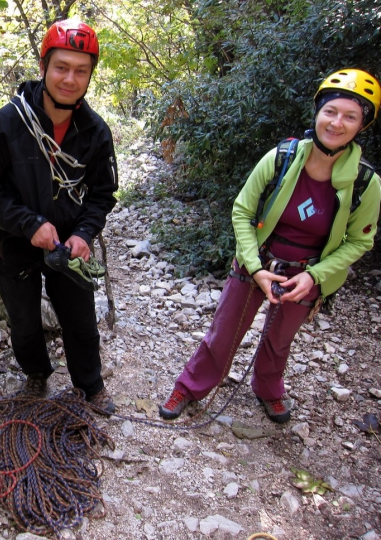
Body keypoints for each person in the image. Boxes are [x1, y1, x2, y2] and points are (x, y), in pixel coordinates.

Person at [159, 68, 381, 424]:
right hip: (258, 262)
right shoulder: (283, 158)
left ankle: (268, 389)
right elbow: (243, 210)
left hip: (306, 275)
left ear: (361, 125)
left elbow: (359, 241)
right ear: (318, 112)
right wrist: (255, 267)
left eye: (350, 116)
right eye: (330, 111)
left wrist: (315, 277)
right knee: (225, 330)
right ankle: (189, 386)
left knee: (279, 341)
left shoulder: (365, 183)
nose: (337, 123)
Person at [0, 20, 118, 413]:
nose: (70, 79)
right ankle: (36, 373)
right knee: (24, 318)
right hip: (16, 239)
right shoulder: (6, 124)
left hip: (68, 240)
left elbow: (103, 193)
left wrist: (85, 233)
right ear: (44, 67)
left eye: (81, 70)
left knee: (80, 318)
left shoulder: (95, 133)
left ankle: (90, 384)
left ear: (90, 75)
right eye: (61, 67)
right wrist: (28, 223)